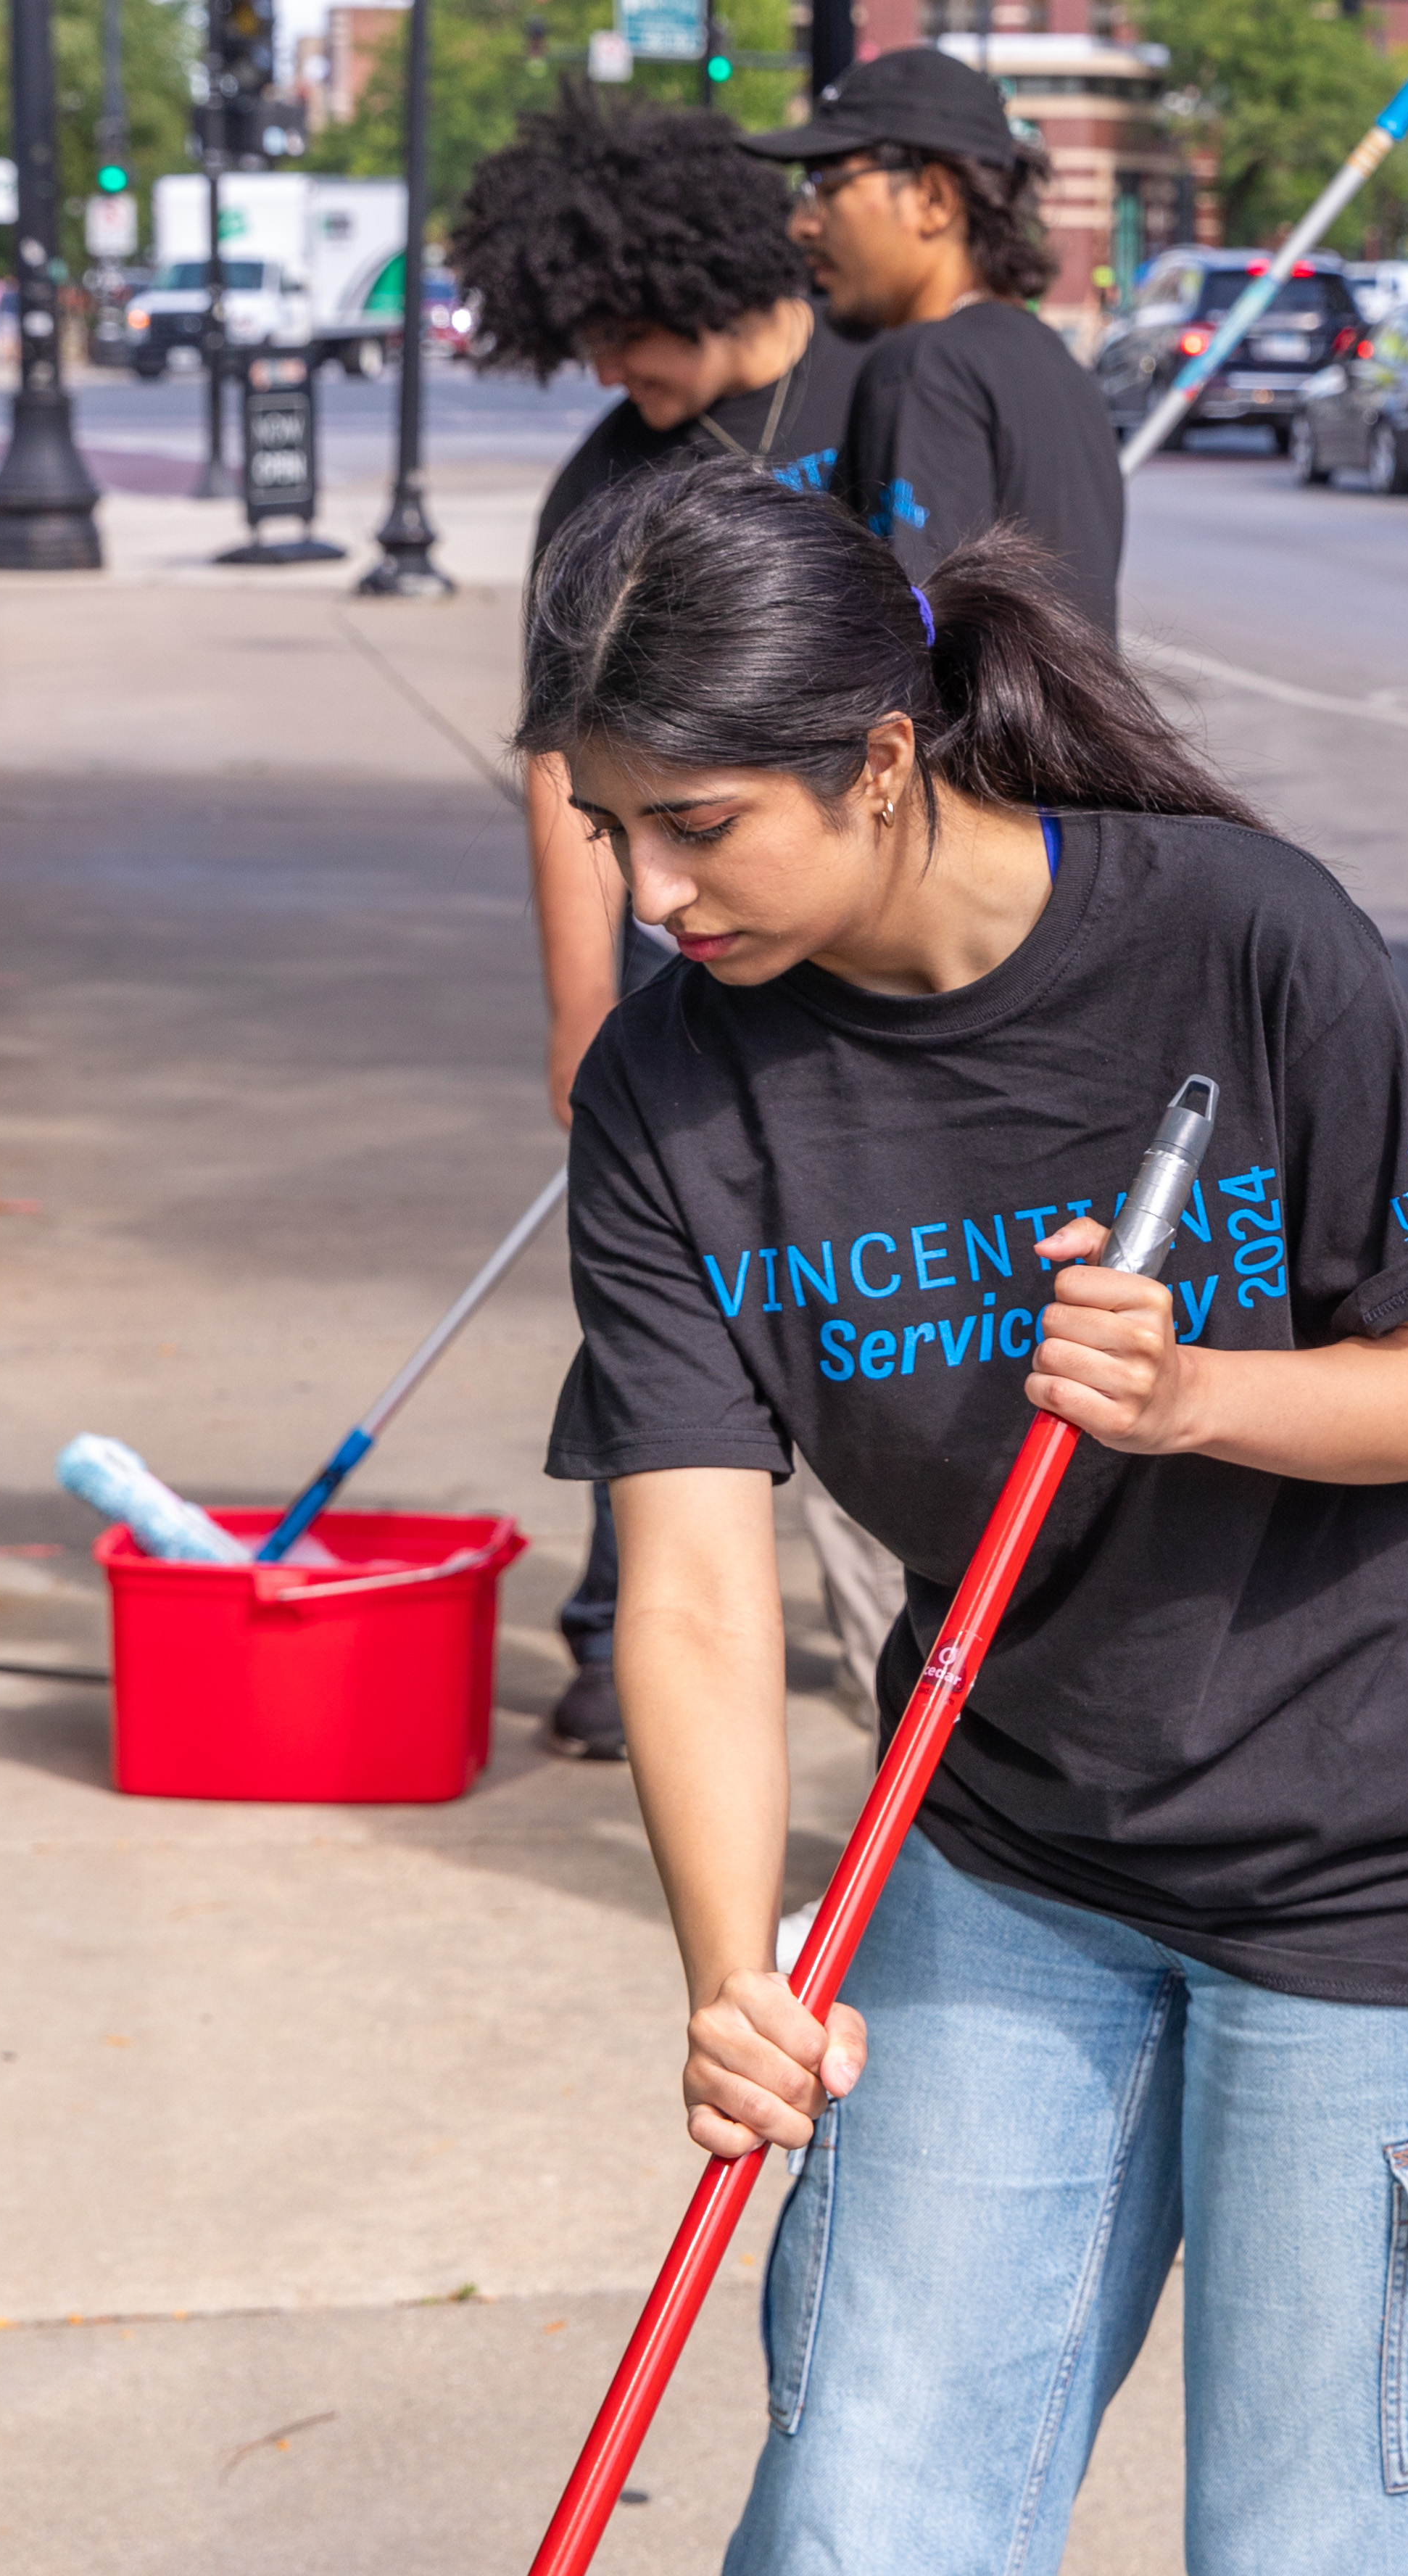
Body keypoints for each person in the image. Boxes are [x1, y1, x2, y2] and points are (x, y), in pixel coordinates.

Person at [526, 465, 1408, 2573]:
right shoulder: (668, 1093)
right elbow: (704, 1587)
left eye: (698, 823)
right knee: (858, 2515)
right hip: (1007, 1842)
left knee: (1321, 2541)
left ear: (883, 759)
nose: (648, 891)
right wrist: (740, 1973)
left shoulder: (1240, 935)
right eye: (602, 824)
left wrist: (1194, 1390)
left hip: (1361, 1860)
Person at [441, 89, 898, 1759]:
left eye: (630, 331)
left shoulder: (875, 393)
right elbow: (571, 771)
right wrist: (583, 1012)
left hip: (868, 927)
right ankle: (620, 1621)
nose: (612, 370)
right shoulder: (605, 485)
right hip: (696, 940)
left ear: (702, 274)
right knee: (674, 1296)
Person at [750, 44, 1126, 641]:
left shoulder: (923, 369)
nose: (803, 224)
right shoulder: (1059, 368)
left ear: (933, 199)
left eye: (826, 184)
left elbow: (909, 658)